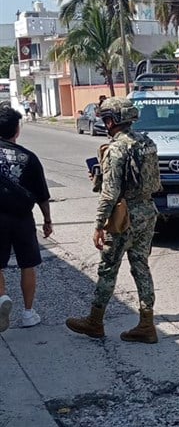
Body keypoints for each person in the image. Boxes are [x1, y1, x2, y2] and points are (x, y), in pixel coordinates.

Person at [65, 98, 161, 343]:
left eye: (105, 119)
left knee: (108, 269)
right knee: (141, 266)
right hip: (147, 211)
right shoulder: (147, 142)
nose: (104, 124)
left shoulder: (116, 149)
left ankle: (95, 322)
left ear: (111, 121)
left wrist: (99, 225)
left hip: (124, 216)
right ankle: (147, 324)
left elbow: (110, 193)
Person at [0, 106, 53, 331]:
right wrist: (47, 221)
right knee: (28, 265)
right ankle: (28, 313)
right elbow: (42, 194)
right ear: (17, 130)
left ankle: (2, 297)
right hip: (22, 217)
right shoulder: (28, 157)